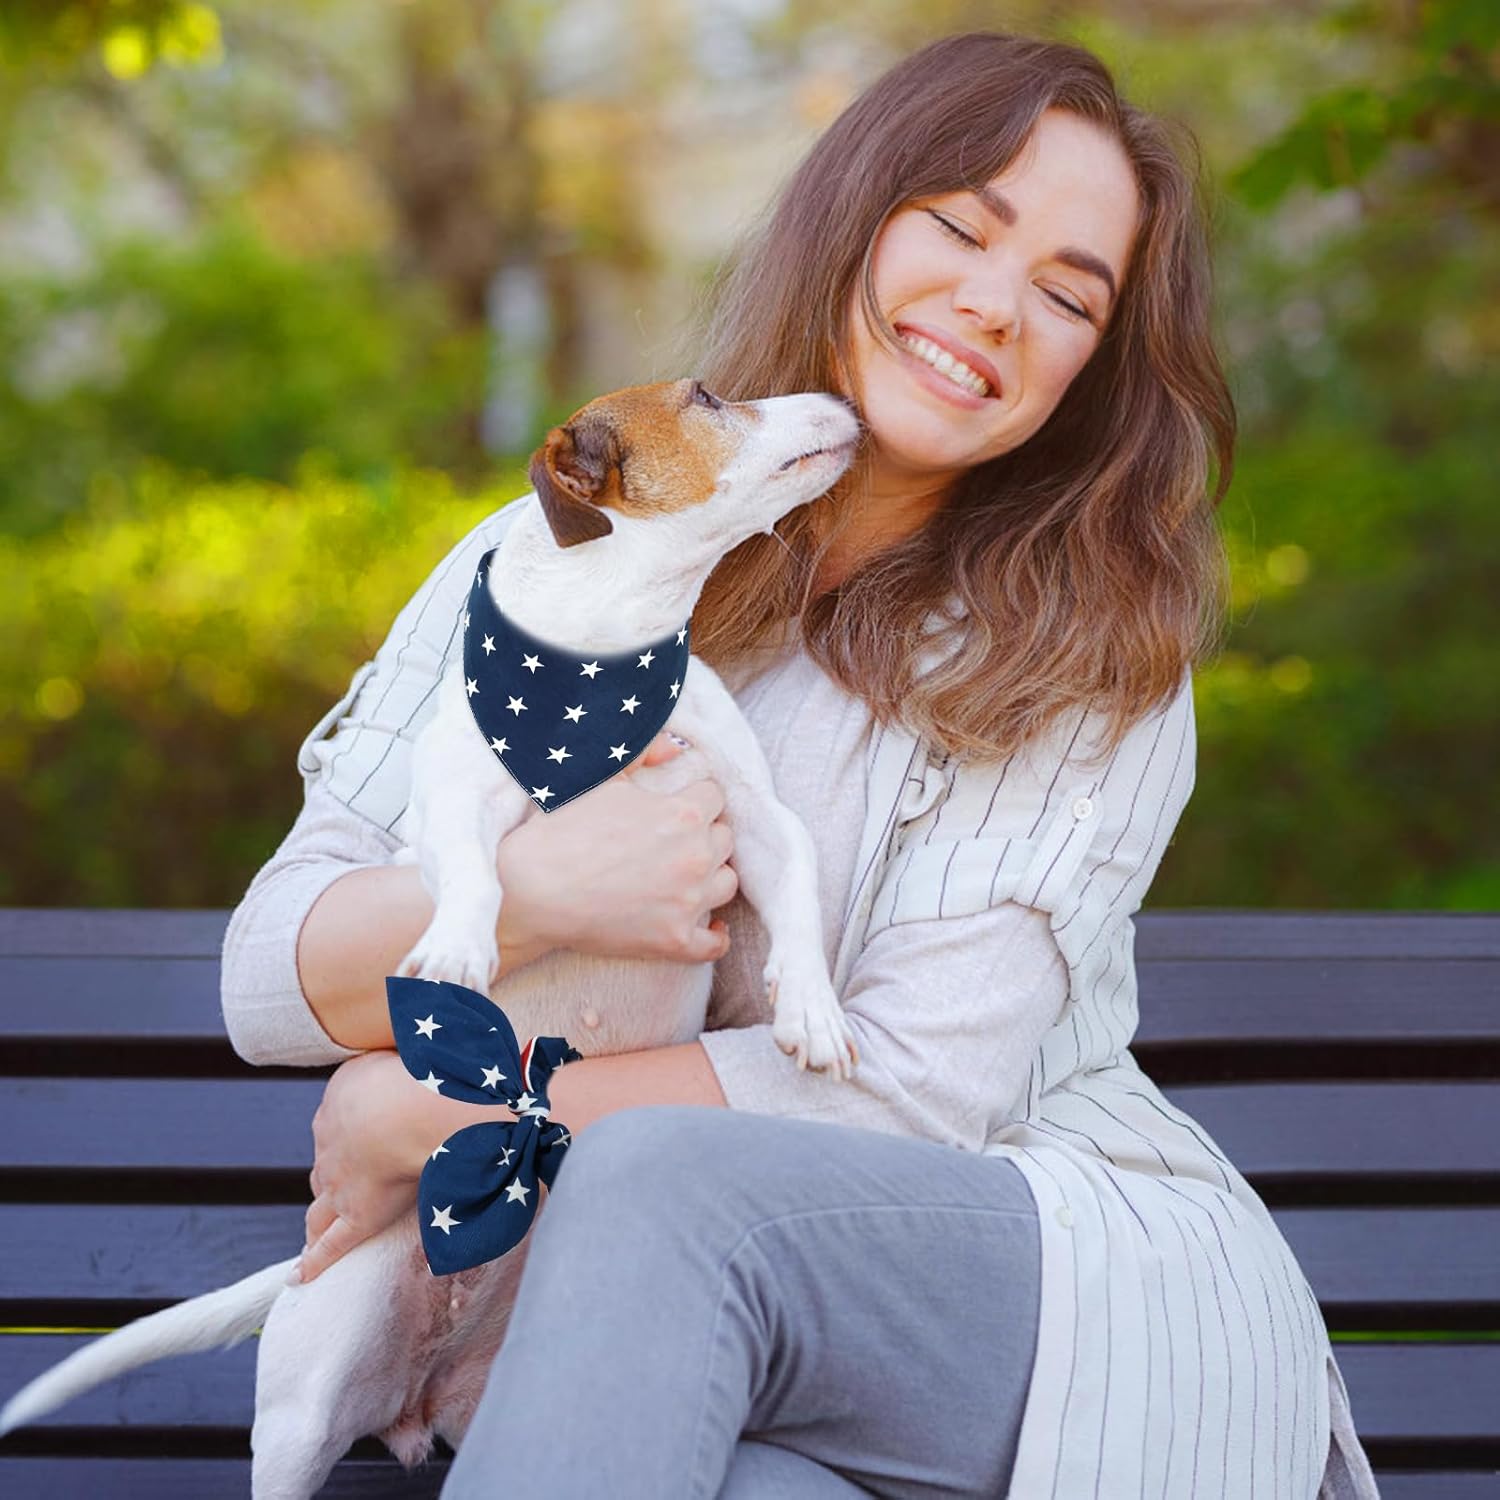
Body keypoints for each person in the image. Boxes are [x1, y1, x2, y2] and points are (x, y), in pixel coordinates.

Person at [220, 30, 1381, 1500]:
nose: (995, 304)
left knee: (655, 1180)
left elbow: (908, 1095)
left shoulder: (1089, 656)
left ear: (1093, 369)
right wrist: (535, 891)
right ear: (855, 216)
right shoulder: (543, 566)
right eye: (962, 227)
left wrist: (447, 1112)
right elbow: (269, 984)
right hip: (696, 1315)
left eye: (1068, 297)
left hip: (1056, 1284)